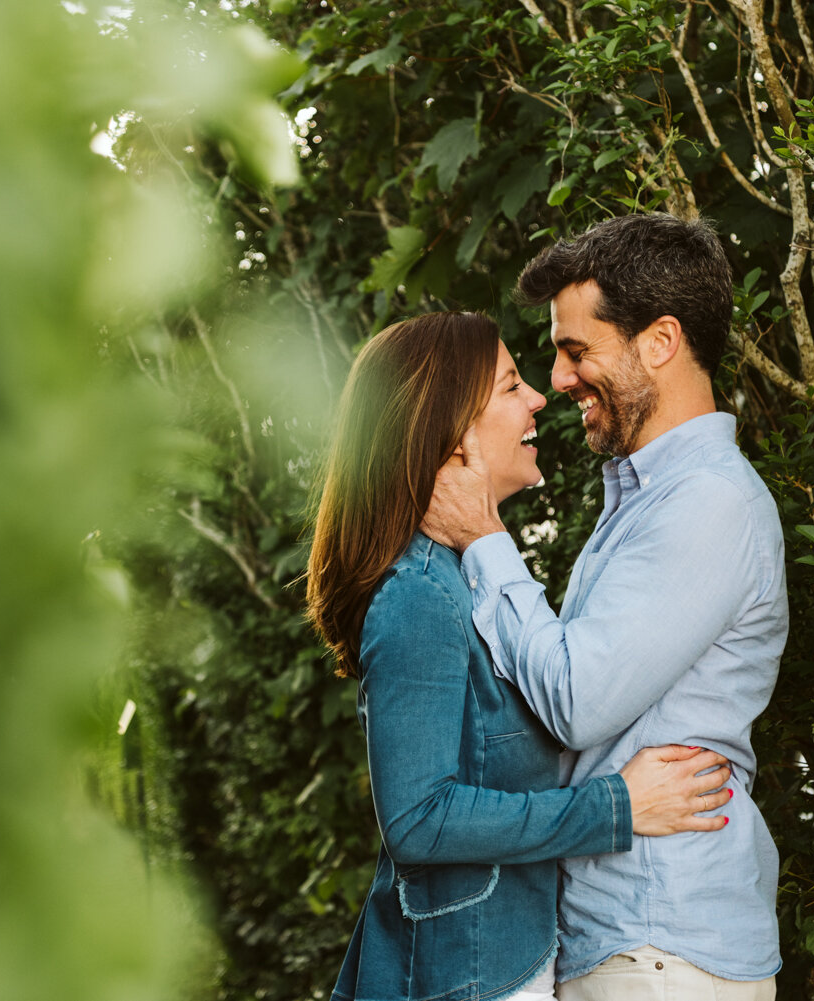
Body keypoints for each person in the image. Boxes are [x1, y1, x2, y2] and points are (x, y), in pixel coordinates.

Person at [305, 311, 737, 1001]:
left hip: (507, 963)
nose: (539, 396)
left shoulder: (464, 574)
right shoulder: (418, 595)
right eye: (510, 386)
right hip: (465, 975)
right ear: (449, 433)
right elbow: (417, 818)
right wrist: (614, 806)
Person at [420, 214, 788, 1000]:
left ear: (659, 341)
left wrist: (484, 536)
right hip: (628, 943)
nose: (556, 379)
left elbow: (578, 700)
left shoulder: (709, 504)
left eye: (575, 350)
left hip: (662, 948)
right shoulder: (644, 501)